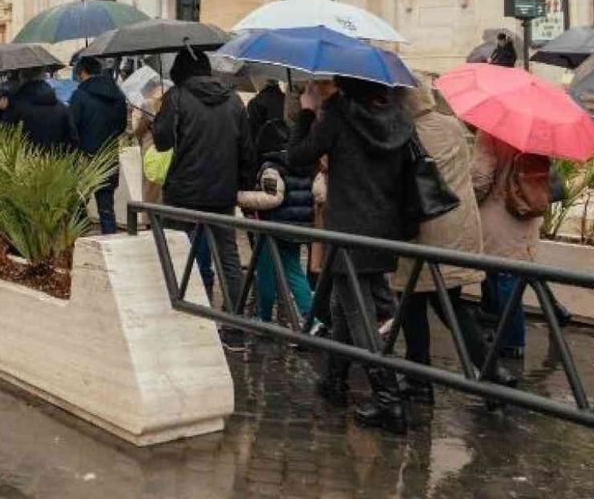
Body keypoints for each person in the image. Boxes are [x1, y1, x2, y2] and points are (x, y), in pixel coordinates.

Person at [289, 76, 414, 435]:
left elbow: (298, 157)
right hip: (384, 230)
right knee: (345, 306)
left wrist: (307, 113)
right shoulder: (398, 117)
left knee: (359, 315)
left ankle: (389, 401)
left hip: (348, 231)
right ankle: (334, 379)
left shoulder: (339, 116)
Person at [394, 75, 509, 402]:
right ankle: (490, 370)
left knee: (413, 305)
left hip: (422, 232)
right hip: (457, 230)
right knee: (451, 304)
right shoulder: (451, 126)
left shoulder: (404, 134)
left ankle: (419, 380)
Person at [152, 50, 254, 349]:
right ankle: (235, 330)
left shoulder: (177, 97)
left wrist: (160, 114)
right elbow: (246, 149)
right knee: (229, 258)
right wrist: (242, 185)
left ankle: (180, 317)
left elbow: (162, 143)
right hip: (222, 192)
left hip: (183, 191)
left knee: (176, 255)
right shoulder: (234, 100)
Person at [472, 132, 549, 364]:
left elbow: (481, 177)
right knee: (510, 278)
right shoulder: (540, 133)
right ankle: (508, 338)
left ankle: (510, 340)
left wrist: (468, 198)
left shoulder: (491, 131)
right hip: (526, 211)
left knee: (500, 278)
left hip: (498, 213)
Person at [235, 120, 314, 325]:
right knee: (291, 270)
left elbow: (272, 197)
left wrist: (241, 197)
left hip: (274, 229)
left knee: (268, 273)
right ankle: (308, 316)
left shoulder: (272, 167)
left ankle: (301, 318)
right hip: (297, 226)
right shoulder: (301, 162)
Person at [68, 57, 129, 233]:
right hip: (109, 156)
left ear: (82, 73)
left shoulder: (80, 95)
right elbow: (122, 126)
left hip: (84, 157)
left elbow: (72, 127)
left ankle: (80, 244)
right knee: (106, 207)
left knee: (79, 205)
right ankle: (110, 241)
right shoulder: (117, 95)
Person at [0, 67, 76, 153]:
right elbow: (72, 139)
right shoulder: (62, 108)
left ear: (21, 77)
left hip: (24, 161)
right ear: (43, 75)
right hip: (56, 161)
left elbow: (3, 137)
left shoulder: (15, 108)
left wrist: (0, 111)